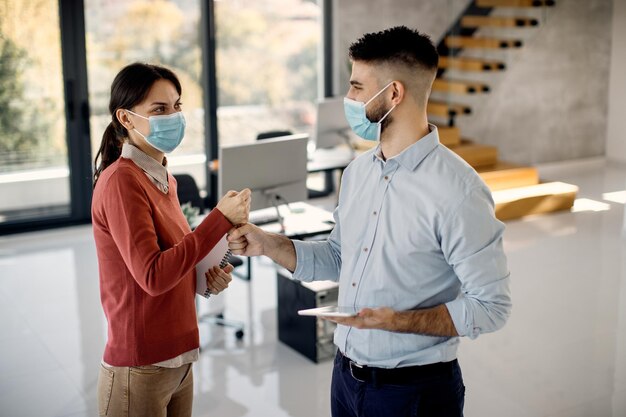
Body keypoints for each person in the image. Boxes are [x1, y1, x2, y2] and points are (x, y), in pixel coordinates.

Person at [228, 26, 511, 417]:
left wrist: (400, 322)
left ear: (393, 94)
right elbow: (340, 257)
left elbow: (491, 307)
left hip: (414, 393)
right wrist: (268, 243)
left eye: (357, 87)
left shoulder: (459, 191)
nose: (349, 99)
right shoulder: (358, 172)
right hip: (345, 378)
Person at [91, 62, 251, 417]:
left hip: (181, 357)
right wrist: (218, 220)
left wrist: (203, 277)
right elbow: (152, 276)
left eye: (177, 106)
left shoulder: (163, 177)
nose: (174, 117)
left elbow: (174, 258)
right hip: (140, 365)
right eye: (159, 109)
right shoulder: (122, 181)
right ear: (127, 118)